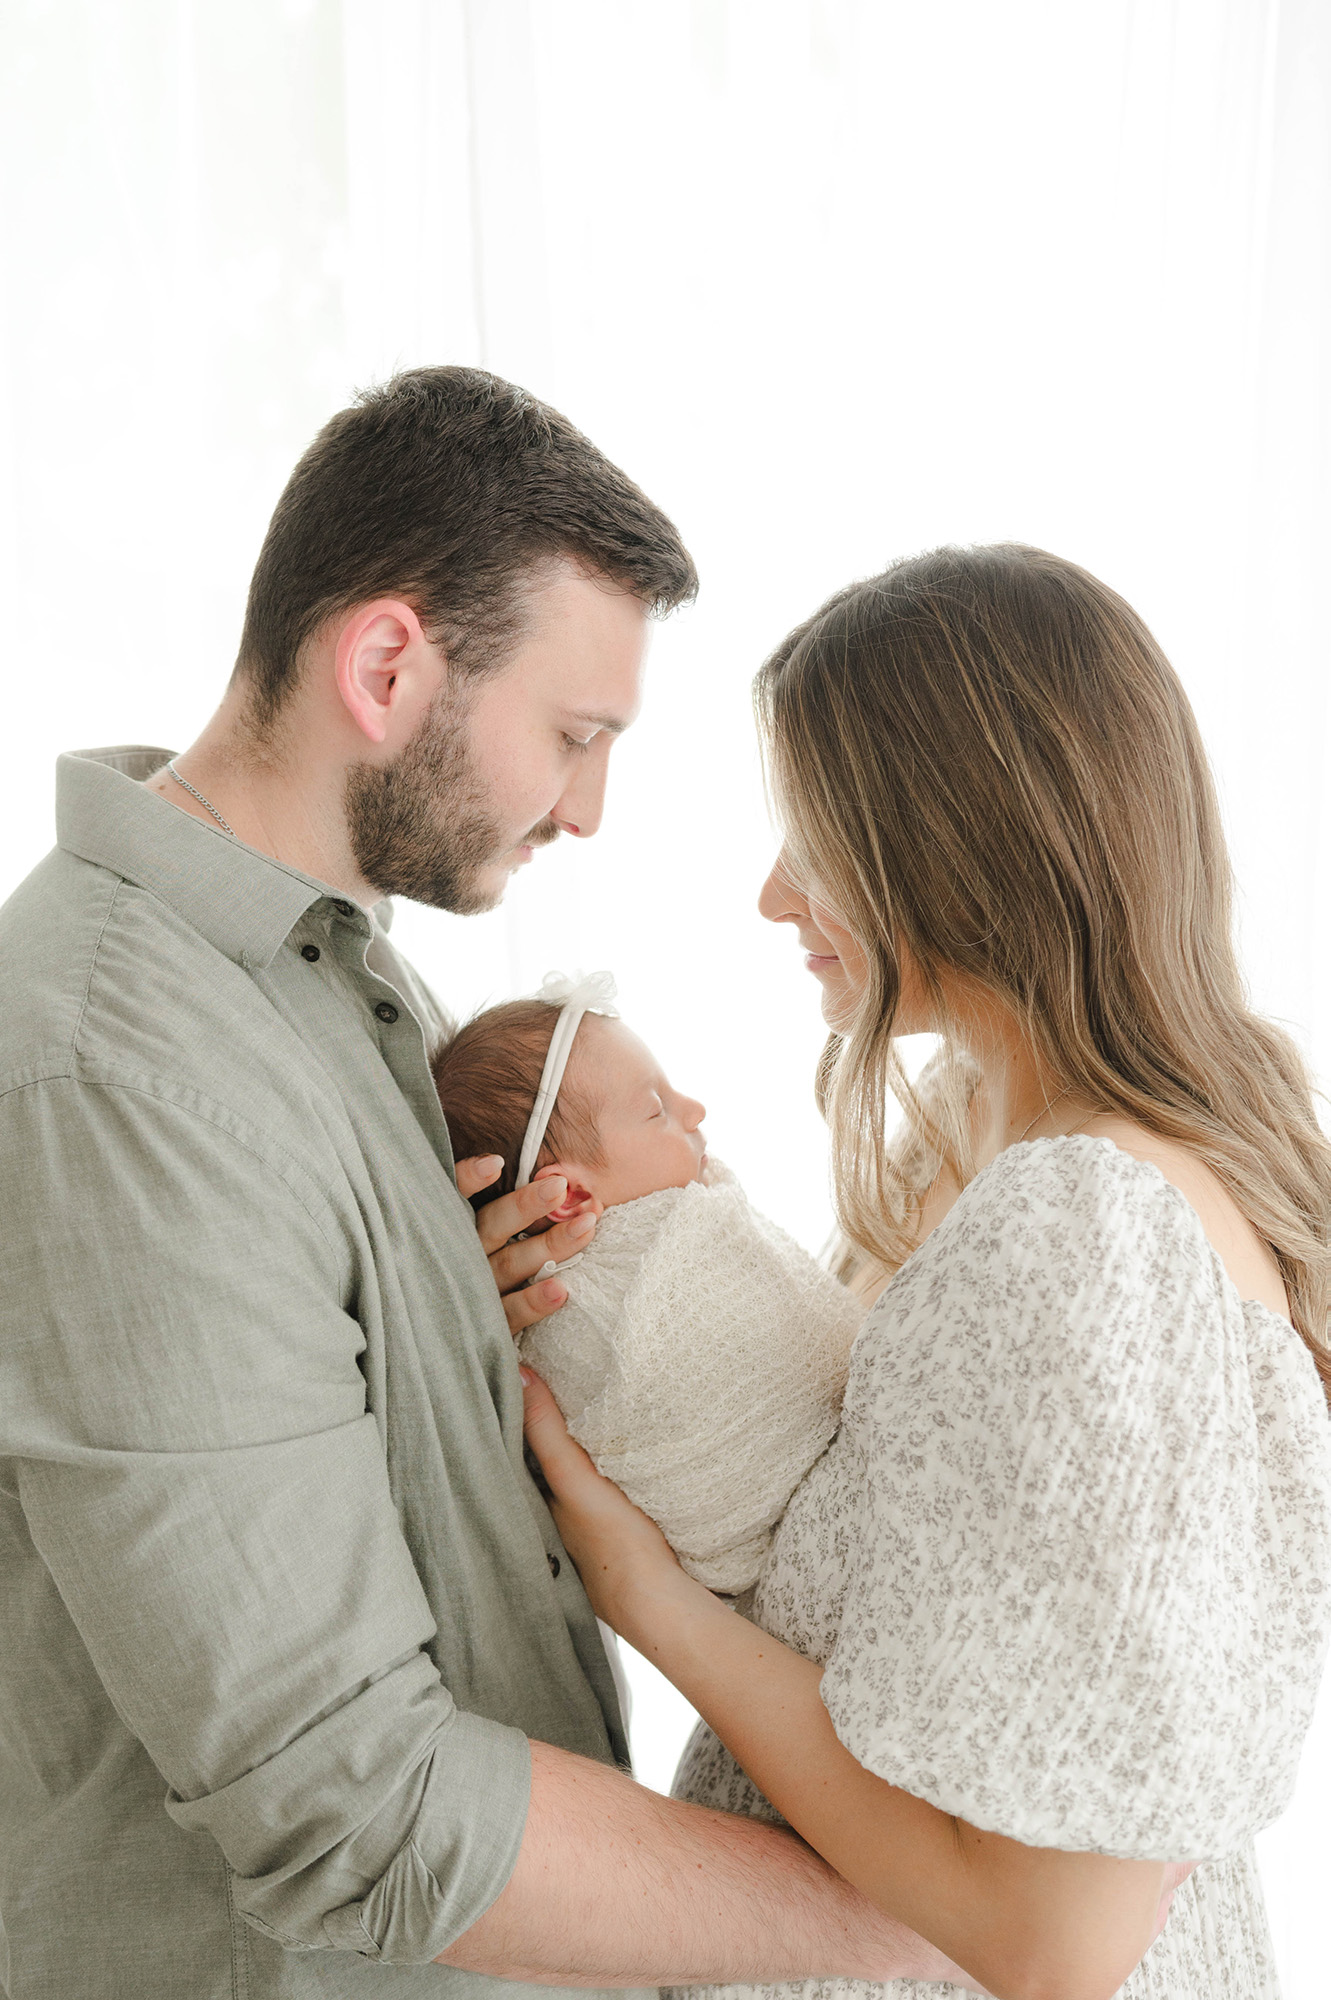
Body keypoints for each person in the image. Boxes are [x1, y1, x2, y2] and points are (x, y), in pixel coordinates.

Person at [0, 367, 978, 1999]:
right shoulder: (123, 1065)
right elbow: (353, 1807)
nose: (586, 808)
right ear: (387, 664)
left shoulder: (338, 989)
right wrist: (929, 1912)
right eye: (573, 735)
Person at [522, 544, 1331, 2000]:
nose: (773, 897)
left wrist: (646, 1597)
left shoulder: (1085, 1224)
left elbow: (1051, 1936)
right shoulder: (1017, 1156)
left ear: (959, 839)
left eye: (816, 837)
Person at [432, 973, 863, 1593]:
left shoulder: (687, 1225)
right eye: (656, 1109)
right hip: (788, 1538)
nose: (693, 1110)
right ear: (570, 1195)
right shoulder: (574, 1305)